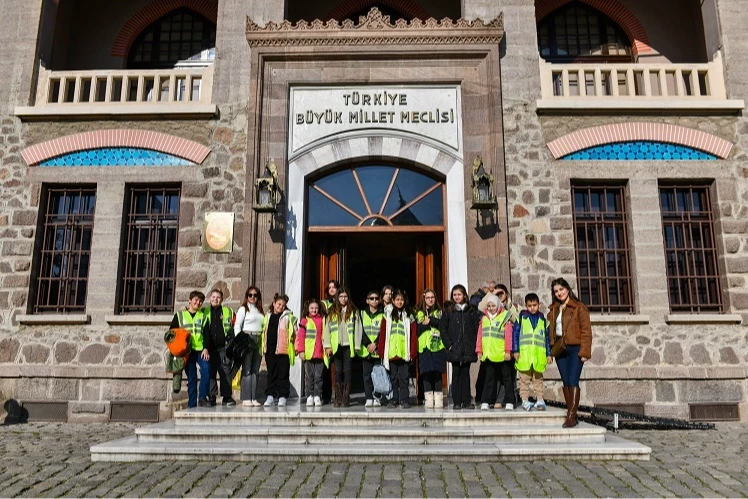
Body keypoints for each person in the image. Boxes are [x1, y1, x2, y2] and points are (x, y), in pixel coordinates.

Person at [547, 278, 592, 428]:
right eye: (556, 291)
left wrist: (585, 351)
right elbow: (550, 331)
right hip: (560, 349)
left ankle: (571, 416)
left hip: (575, 348)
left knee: (573, 380)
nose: (559, 293)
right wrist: (550, 351)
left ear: (567, 289)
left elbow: (586, 331)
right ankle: (572, 413)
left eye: (561, 289)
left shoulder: (579, 307)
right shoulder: (553, 309)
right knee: (566, 382)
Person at [440, 284, 481, 410]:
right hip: (455, 348)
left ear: (464, 295)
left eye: (459, 294)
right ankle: (457, 401)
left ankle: (467, 401)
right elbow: (443, 329)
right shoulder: (449, 311)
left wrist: (474, 344)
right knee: (456, 373)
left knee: (465, 373)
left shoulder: (471, 311)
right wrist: (449, 344)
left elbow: (476, 328)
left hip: (467, 347)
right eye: (455, 295)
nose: (457, 297)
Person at [377, 289, 418, 409]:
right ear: (393, 301)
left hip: (404, 351)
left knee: (404, 378)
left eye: (402, 300)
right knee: (393, 378)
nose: (399, 302)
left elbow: (413, 334)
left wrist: (412, 351)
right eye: (397, 300)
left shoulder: (409, 315)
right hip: (391, 352)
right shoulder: (387, 314)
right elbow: (383, 332)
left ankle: (404, 399)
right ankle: (394, 399)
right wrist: (381, 350)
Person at [512, 293, 552, 411]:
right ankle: (524, 400)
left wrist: (549, 354)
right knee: (524, 380)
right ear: (526, 305)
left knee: (538, 379)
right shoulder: (521, 318)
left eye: (534, 305)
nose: (532, 308)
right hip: (524, 355)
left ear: (539, 305)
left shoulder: (543, 321)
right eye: (529, 306)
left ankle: (540, 399)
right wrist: (515, 350)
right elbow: (515, 335)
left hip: (538, 356)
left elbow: (546, 339)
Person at [476, 294, 514, 411]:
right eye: (489, 306)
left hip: (502, 354)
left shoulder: (505, 317)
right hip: (489, 354)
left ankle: (510, 401)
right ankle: (486, 401)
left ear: (498, 306)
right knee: (489, 379)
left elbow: (508, 336)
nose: (491, 308)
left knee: (507, 379)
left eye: (493, 305)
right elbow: (480, 336)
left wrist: (508, 351)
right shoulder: (484, 319)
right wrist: (479, 350)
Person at [170, 290, 208, 408]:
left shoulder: (203, 316)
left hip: (200, 349)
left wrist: (206, 348)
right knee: (191, 377)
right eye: (196, 300)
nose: (198, 302)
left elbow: (207, 333)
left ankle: (202, 397)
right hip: (187, 351)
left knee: (206, 370)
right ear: (190, 301)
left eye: (200, 301)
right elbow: (172, 332)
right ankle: (192, 405)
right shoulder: (180, 315)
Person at [324, 287, 360, 407]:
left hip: (348, 345)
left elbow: (358, 328)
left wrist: (357, 344)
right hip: (336, 345)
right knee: (338, 371)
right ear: (337, 298)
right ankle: (338, 397)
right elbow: (327, 329)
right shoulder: (332, 311)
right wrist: (327, 346)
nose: (343, 299)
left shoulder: (353, 310)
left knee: (347, 371)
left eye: (345, 296)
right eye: (341, 297)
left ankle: (346, 397)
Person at [262, 293, 297, 408]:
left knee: (283, 373)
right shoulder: (267, 316)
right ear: (274, 304)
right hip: (270, 350)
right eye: (279, 304)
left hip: (283, 350)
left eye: (283, 305)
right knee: (271, 373)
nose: (281, 307)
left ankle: (282, 396)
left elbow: (296, 333)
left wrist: (296, 348)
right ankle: (270, 396)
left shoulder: (289, 317)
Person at [203, 289, 235, 407]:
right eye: (213, 297)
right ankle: (212, 396)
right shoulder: (204, 311)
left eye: (218, 297)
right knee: (211, 372)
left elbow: (235, 326)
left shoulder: (228, 311)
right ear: (210, 298)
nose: (215, 299)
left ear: (222, 299)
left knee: (226, 372)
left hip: (224, 348)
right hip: (210, 348)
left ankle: (227, 397)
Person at [234, 286, 264, 407]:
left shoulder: (260, 311)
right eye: (250, 295)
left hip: (258, 339)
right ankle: (246, 397)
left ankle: (253, 397)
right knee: (246, 369)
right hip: (247, 338)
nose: (253, 297)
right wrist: (239, 340)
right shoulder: (243, 309)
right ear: (247, 296)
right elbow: (237, 325)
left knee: (255, 370)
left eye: (255, 295)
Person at [415, 289, 445, 409]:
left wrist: (432, 321)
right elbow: (415, 329)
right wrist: (425, 324)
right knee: (426, 373)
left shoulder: (440, 312)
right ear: (424, 299)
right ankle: (428, 399)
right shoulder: (418, 313)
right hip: (424, 347)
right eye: (428, 297)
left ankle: (438, 400)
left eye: (432, 297)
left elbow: (443, 325)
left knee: (437, 373)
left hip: (437, 346)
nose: (430, 299)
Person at [296, 298, 327, 407]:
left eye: (316, 308)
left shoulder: (323, 320)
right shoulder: (305, 320)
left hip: (319, 352)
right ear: (308, 309)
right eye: (312, 308)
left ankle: (317, 395)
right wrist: (301, 351)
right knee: (309, 376)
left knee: (319, 376)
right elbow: (301, 336)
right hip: (308, 353)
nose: (314, 310)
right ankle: (309, 395)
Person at [359, 290, 384, 407]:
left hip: (377, 350)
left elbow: (383, 332)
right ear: (367, 301)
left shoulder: (383, 314)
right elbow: (360, 331)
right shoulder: (361, 314)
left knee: (378, 374)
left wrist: (376, 344)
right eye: (372, 298)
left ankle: (377, 397)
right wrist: (368, 344)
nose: (374, 300)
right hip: (366, 350)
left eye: (376, 298)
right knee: (367, 375)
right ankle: (368, 397)